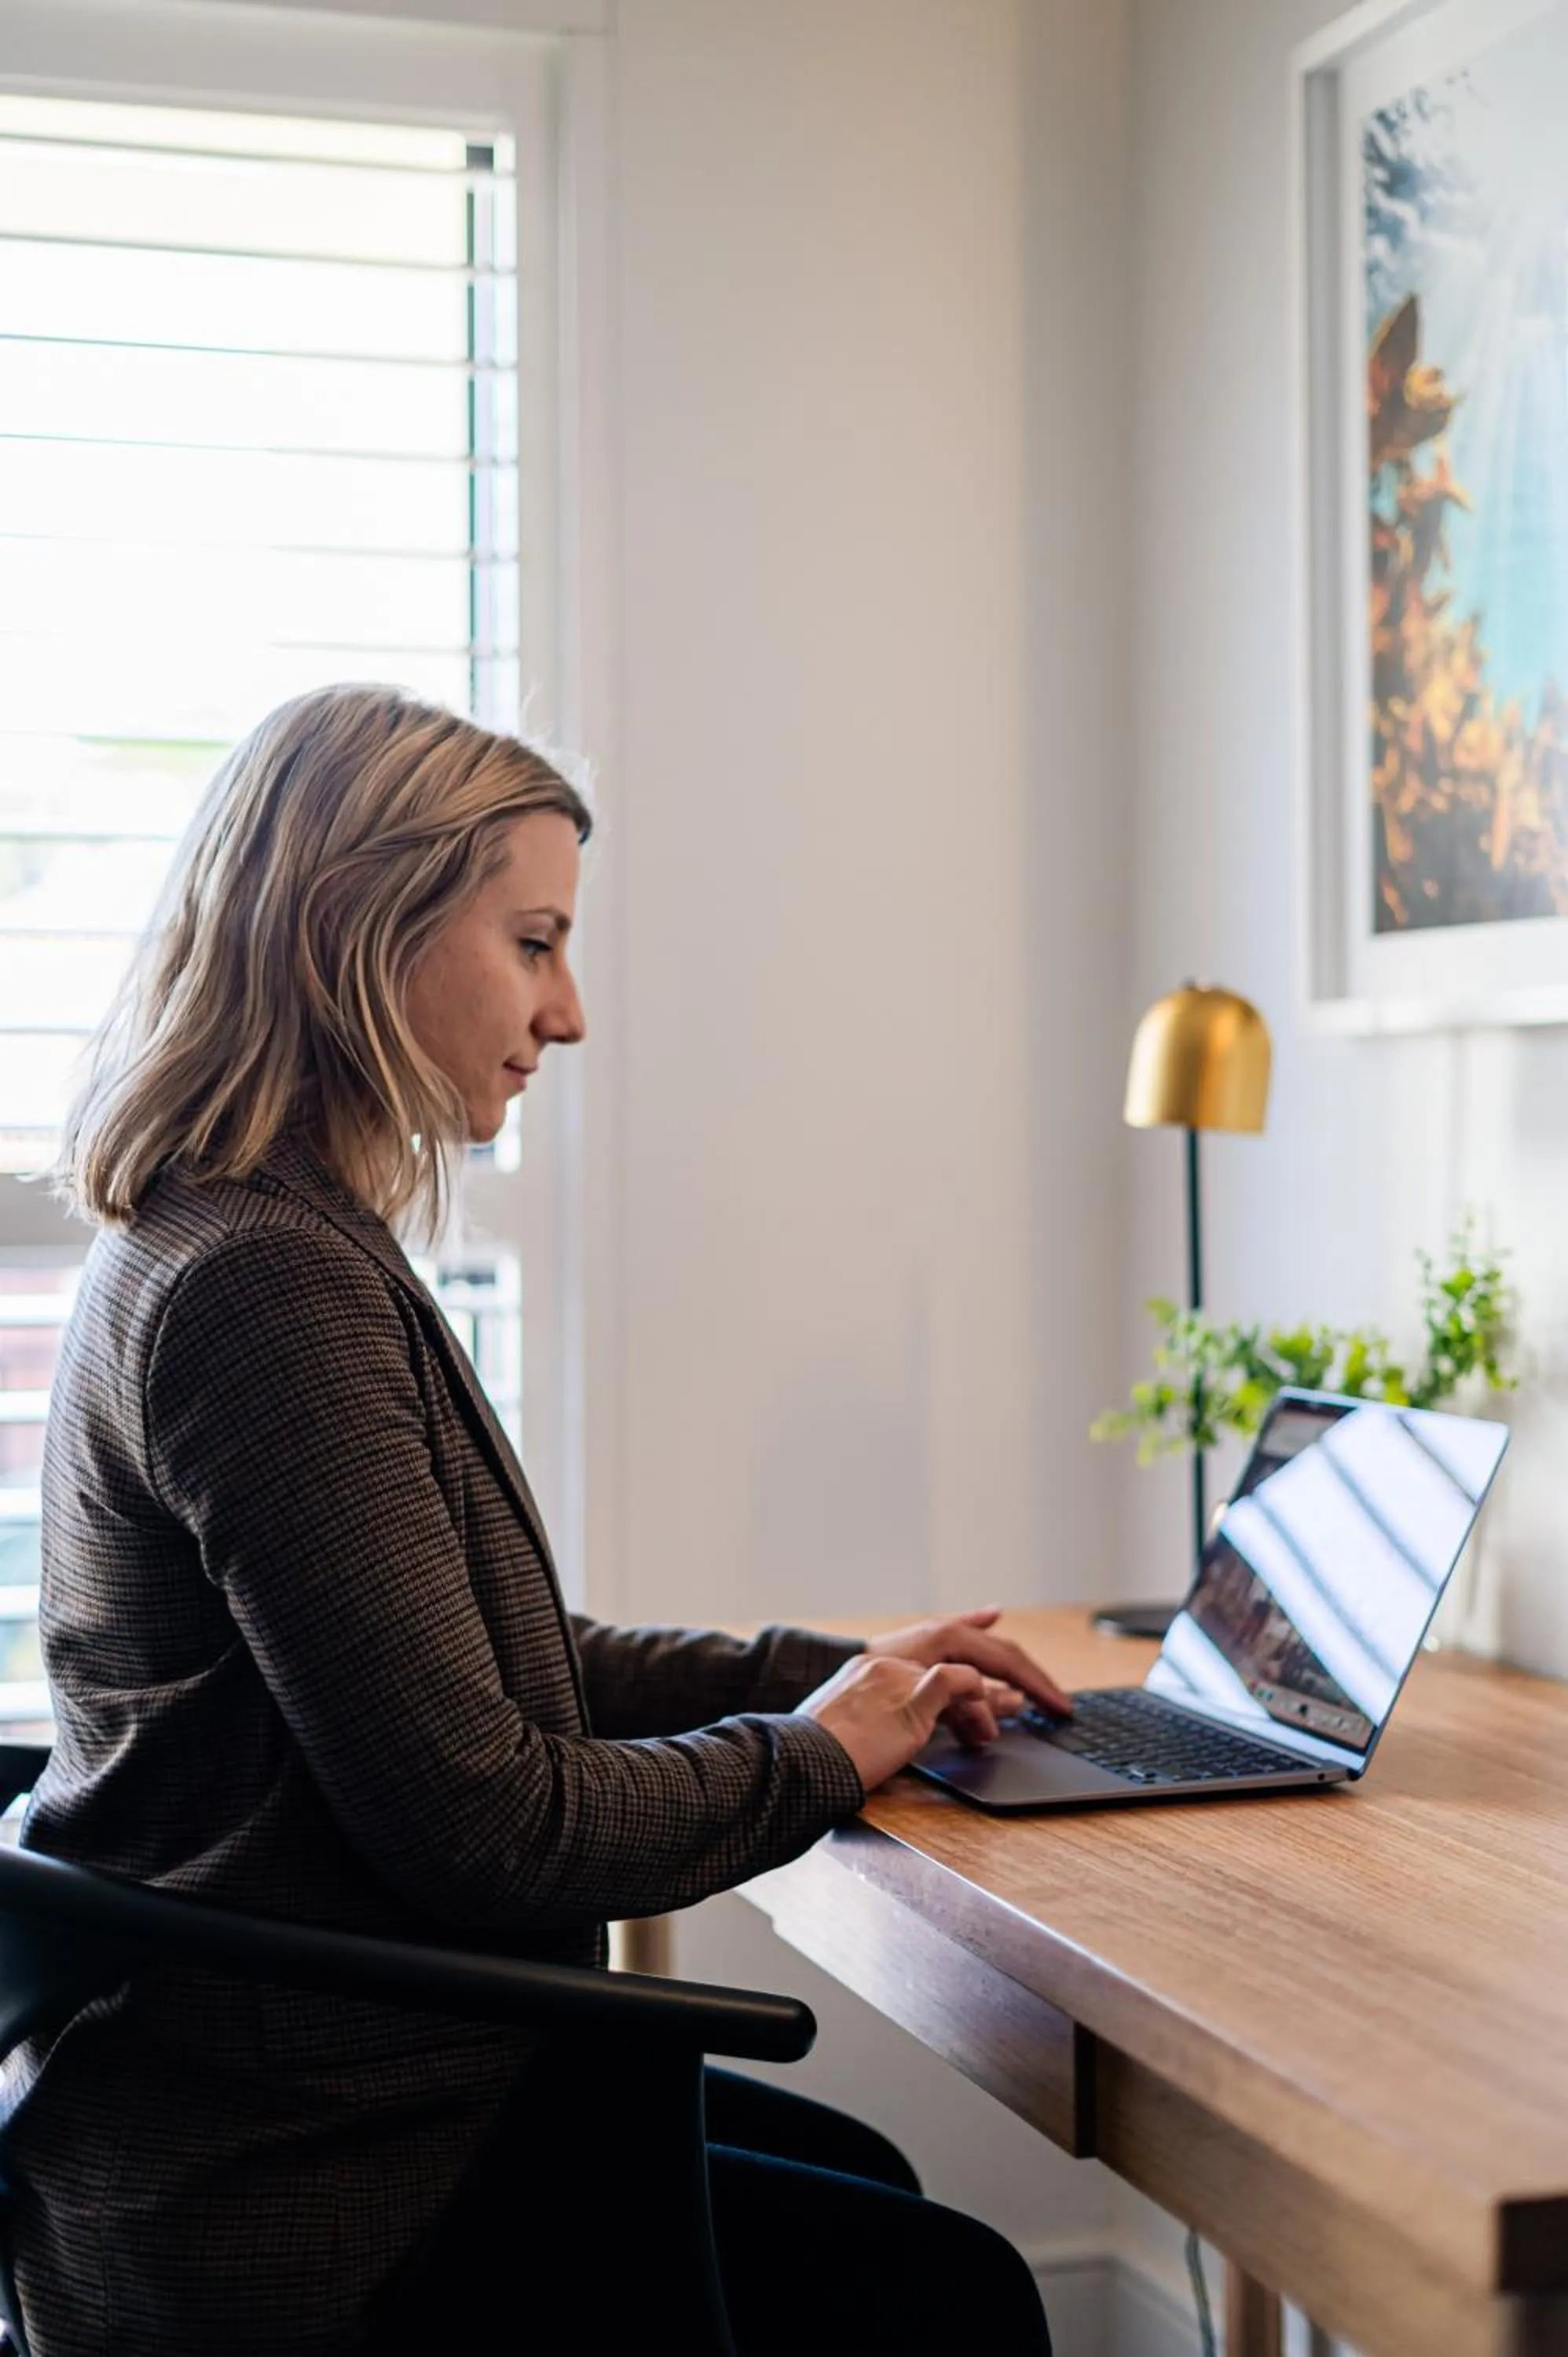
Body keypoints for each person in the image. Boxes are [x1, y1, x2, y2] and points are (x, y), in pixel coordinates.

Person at [6, 686, 1063, 2355]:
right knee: (951, 2299)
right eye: (535, 943)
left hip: (347, 2087)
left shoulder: (254, 1238)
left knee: (871, 2191)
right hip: (302, 2187)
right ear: (362, 930)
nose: (565, 1013)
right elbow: (491, 1826)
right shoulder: (264, 1288)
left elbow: (485, 1666)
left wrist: (835, 1676)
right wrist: (816, 1753)